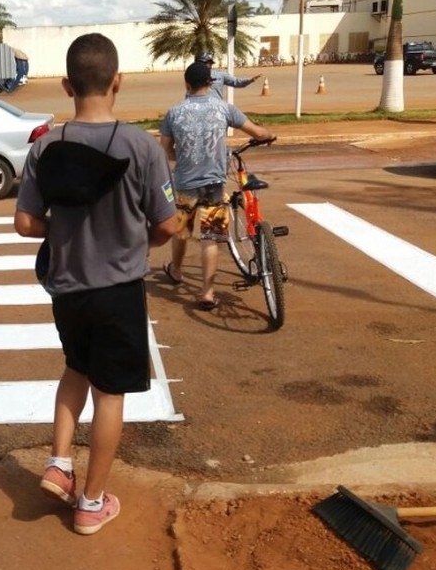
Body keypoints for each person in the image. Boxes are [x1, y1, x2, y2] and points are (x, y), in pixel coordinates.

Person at [14, 33, 180, 535]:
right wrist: (137, 238)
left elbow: (25, 223)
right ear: (118, 82)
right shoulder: (141, 146)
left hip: (67, 289)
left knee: (75, 369)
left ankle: (59, 465)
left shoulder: (46, 147)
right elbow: (168, 224)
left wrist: (61, 229)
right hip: (117, 291)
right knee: (110, 394)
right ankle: (91, 502)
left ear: (68, 85)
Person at [159, 61, 274, 309]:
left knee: (182, 230)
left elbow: (165, 150)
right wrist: (269, 135)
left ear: (187, 84)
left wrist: (185, 158)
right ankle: (207, 293)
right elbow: (257, 133)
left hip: (185, 182)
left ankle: (176, 270)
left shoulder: (174, 113)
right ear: (210, 83)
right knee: (210, 238)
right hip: (214, 184)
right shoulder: (224, 109)